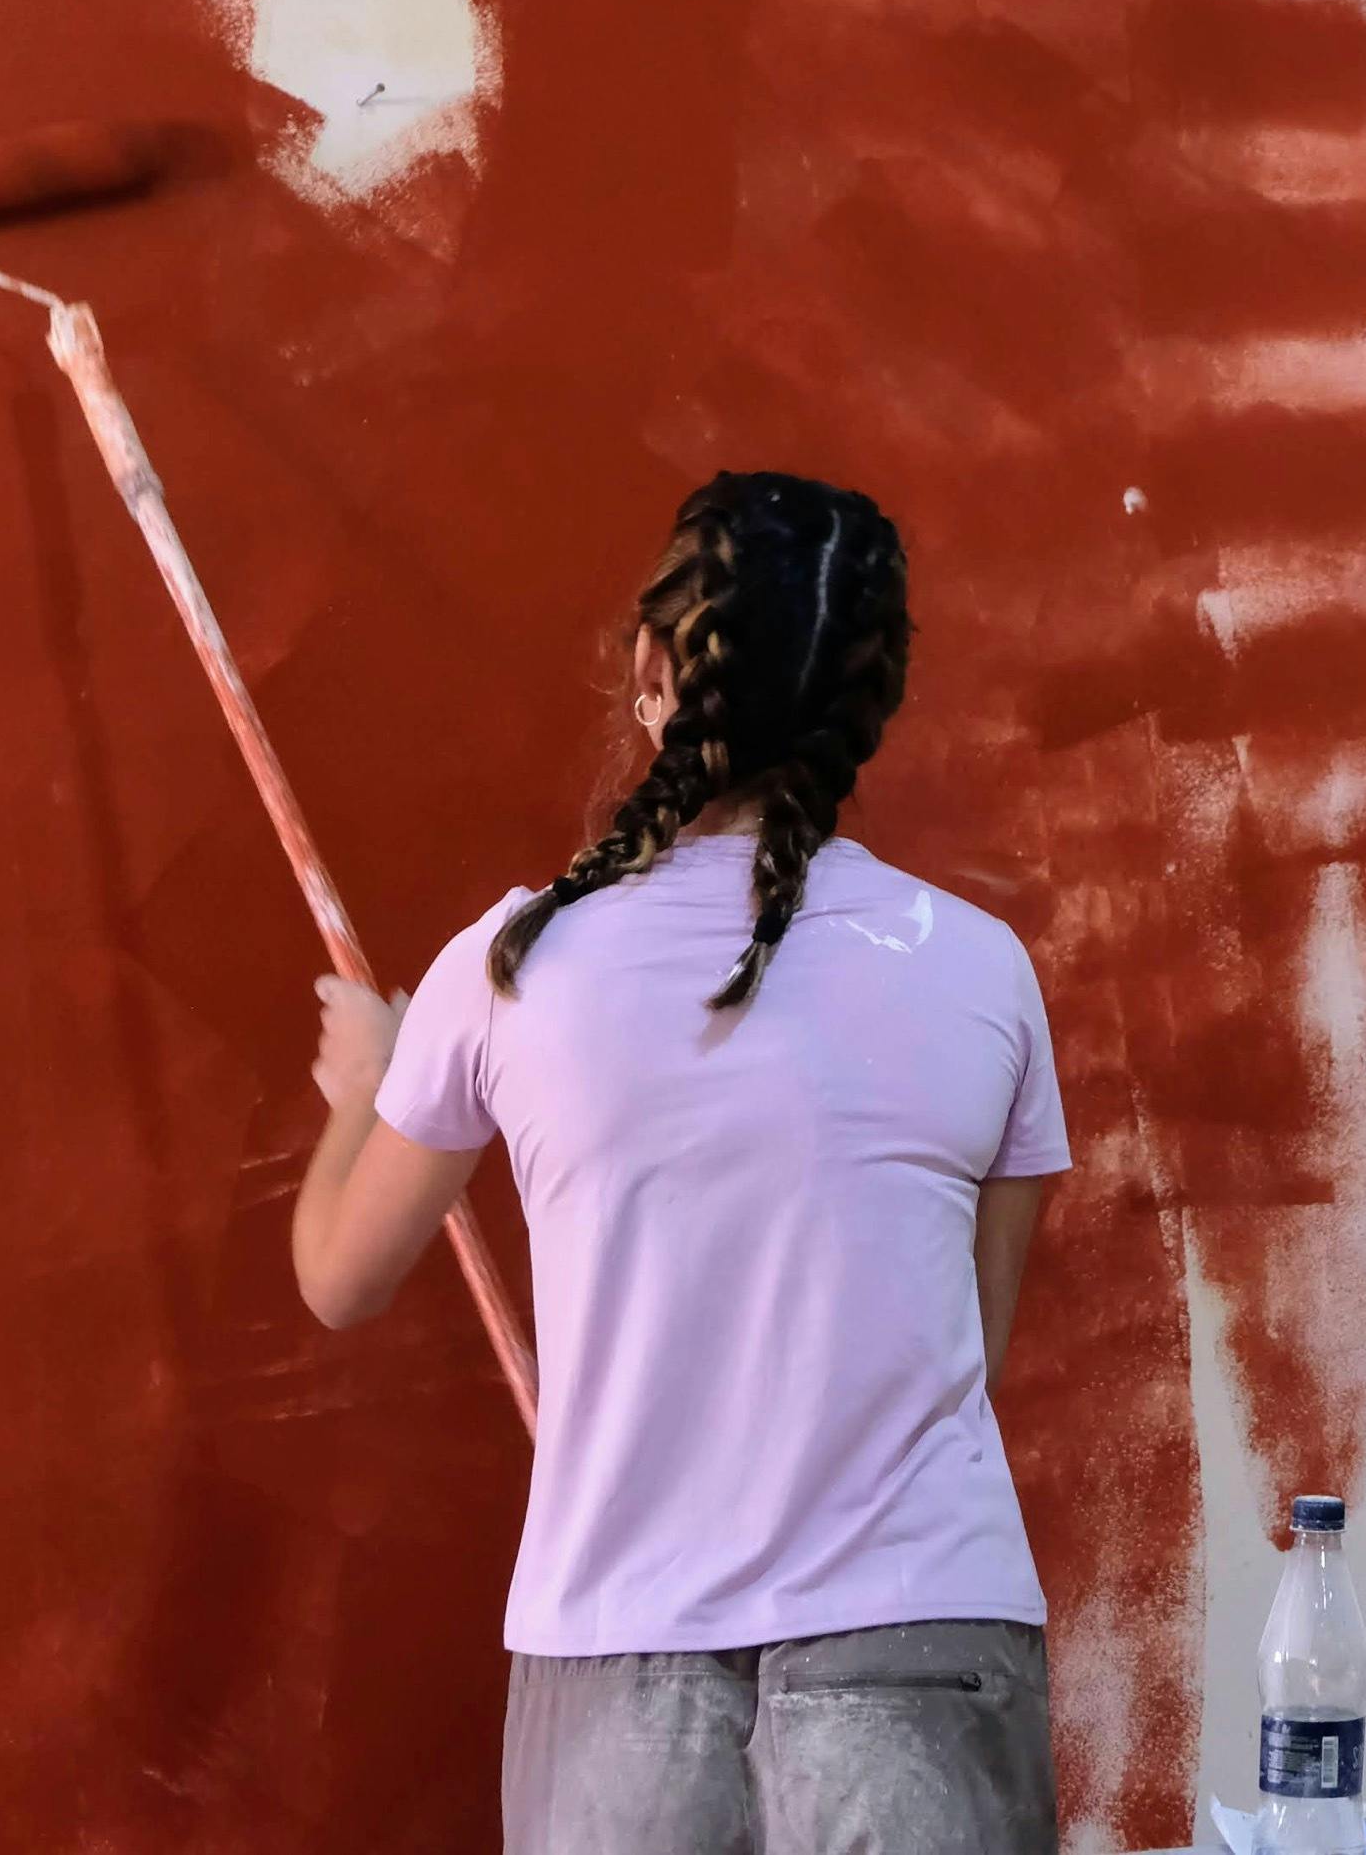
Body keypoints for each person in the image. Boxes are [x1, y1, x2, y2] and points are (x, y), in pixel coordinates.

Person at [290, 471, 1072, 1855]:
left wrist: (367, 1085)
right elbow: (973, 1345)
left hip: (620, 1663)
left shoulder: (513, 963)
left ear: (655, 667)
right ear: (867, 707)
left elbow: (342, 1276)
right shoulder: (983, 969)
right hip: (922, 1636)